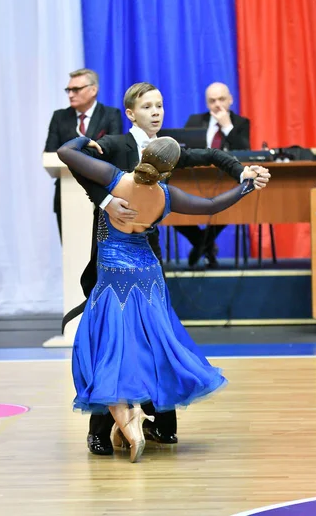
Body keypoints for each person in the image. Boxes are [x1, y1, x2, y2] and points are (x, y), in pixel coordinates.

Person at [64, 83, 270, 457]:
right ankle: (102, 428)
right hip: (111, 257)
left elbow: (212, 155)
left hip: (142, 255)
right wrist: (107, 201)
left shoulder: (164, 152)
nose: (156, 111)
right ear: (132, 112)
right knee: (123, 337)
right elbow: (82, 175)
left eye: (160, 105)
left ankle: (161, 424)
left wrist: (241, 172)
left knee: (143, 337)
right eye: (148, 106)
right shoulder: (113, 144)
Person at [44, 68, 123, 237]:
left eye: (76, 89)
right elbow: (51, 152)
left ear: (93, 90)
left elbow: (114, 151)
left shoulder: (110, 115)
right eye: (68, 90)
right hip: (66, 193)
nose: (70, 94)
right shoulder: (59, 117)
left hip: (102, 193)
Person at [179, 82, 251, 267]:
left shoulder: (241, 123)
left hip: (227, 180)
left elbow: (245, 151)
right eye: (212, 101)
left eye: (221, 99)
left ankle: (201, 245)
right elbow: (184, 150)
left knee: (230, 206)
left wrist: (227, 126)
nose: (217, 104)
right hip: (194, 180)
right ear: (206, 103)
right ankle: (205, 243)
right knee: (171, 208)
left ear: (230, 100)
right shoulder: (195, 121)